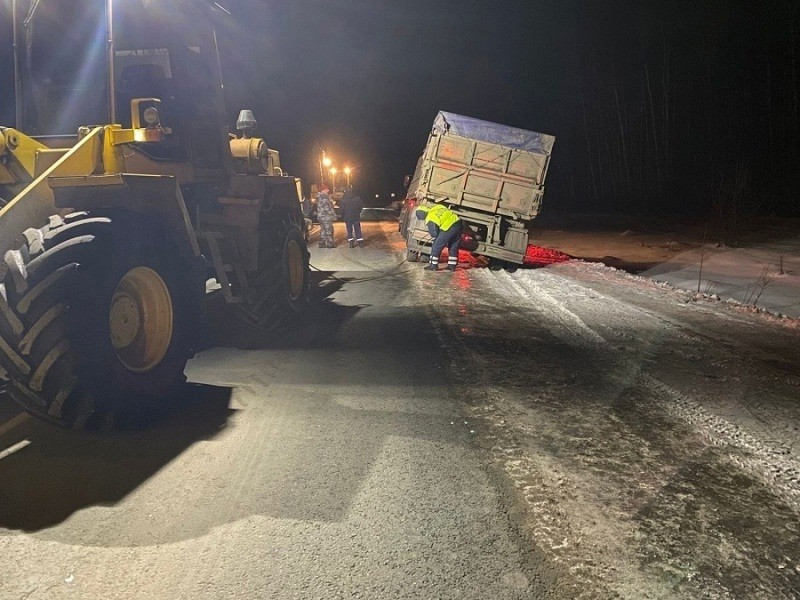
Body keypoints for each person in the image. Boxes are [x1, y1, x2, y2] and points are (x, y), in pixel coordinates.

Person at [415, 203, 462, 271]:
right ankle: (452, 266)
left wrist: (435, 237)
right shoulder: (438, 207)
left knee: (436, 245)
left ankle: (433, 266)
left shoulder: (430, 218)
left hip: (448, 227)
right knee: (453, 245)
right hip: (458, 223)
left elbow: (434, 234)